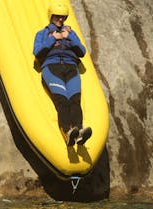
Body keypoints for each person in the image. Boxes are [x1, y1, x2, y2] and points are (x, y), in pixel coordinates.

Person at [33, 1, 92, 146]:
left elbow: (82, 52)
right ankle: (67, 133)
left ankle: (79, 132)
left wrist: (69, 37)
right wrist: (53, 38)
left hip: (71, 68)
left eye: (63, 17)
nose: (60, 19)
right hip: (52, 68)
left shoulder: (71, 33)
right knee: (63, 101)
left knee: (74, 100)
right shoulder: (42, 33)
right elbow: (37, 52)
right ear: (51, 16)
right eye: (57, 17)